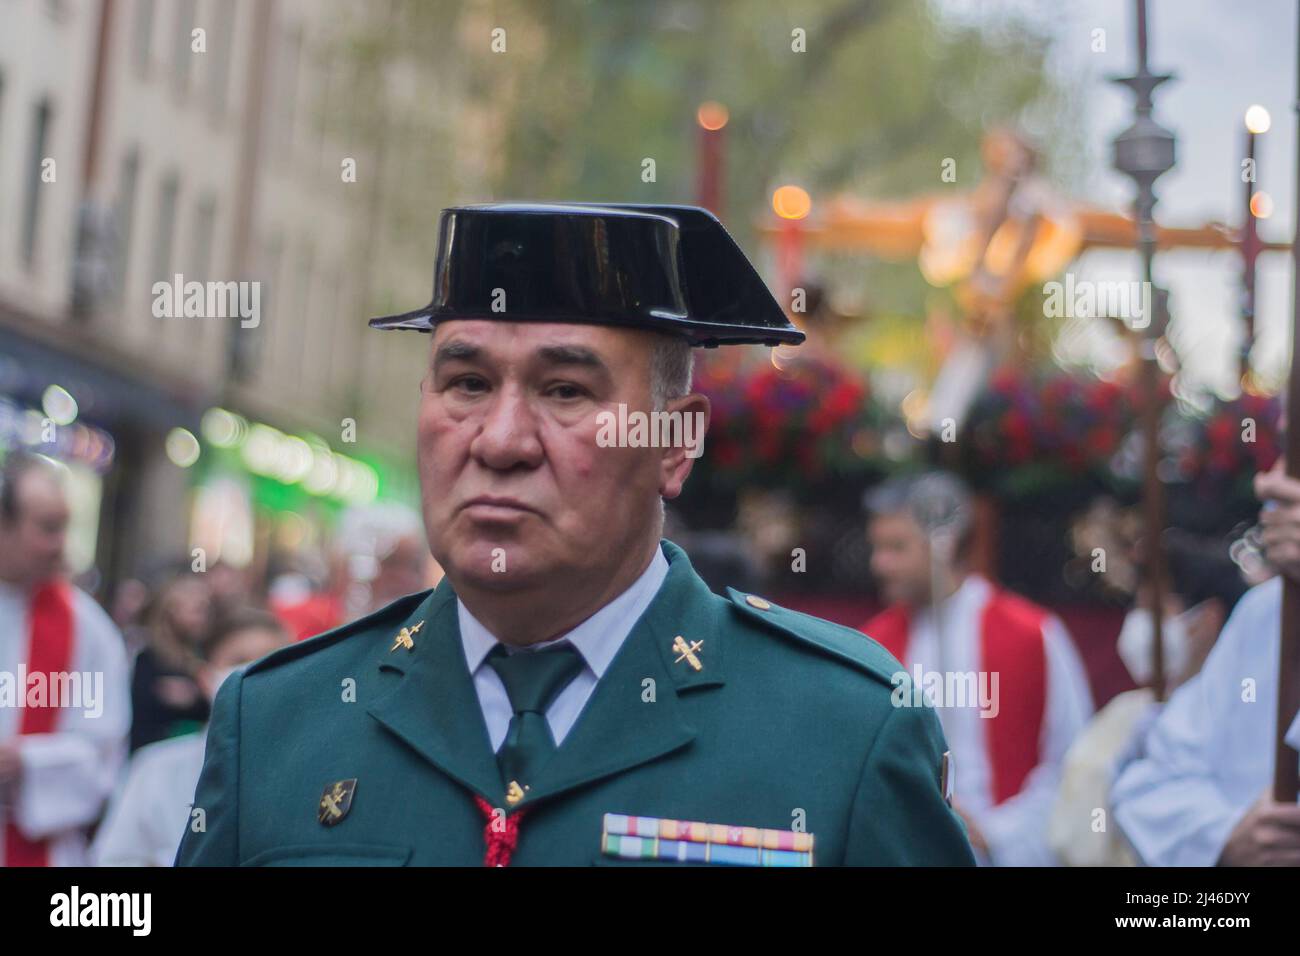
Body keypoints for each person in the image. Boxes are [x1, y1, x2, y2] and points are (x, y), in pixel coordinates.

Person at [177, 202, 975, 866]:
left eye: (565, 391)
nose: (499, 440)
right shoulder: (280, 721)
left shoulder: (840, 731)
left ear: (675, 442)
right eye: (466, 383)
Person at [860, 471, 1094, 866]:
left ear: (943, 543)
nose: (879, 564)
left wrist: (996, 833)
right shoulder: (871, 644)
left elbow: (1073, 760)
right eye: (877, 547)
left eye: (896, 547)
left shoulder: (1032, 635)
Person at [1111, 456, 1300, 866]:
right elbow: (1150, 780)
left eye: (1295, 448)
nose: (1268, 481)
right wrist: (1225, 837)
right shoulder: (1264, 613)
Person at [1048, 537, 1248, 866]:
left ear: (1207, 618)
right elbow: (1072, 835)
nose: (1138, 623)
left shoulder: (1237, 719)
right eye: (1136, 608)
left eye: (1153, 610)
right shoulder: (1126, 713)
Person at [0, 452, 129, 866]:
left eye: (64, 528)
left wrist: (26, 762)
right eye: (47, 528)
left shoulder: (88, 629)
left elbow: (105, 754)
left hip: (40, 848)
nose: (61, 545)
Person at [93, 609, 288, 866]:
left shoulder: (304, 771)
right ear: (206, 676)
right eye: (240, 659)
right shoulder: (155, 768)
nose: (256, 673)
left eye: (271, 661)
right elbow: (113, 858)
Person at [129, 569, 213, 752]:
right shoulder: (147, 658)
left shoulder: (202, 655)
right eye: (197, 610)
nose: (203, 619)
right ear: (171, 610)